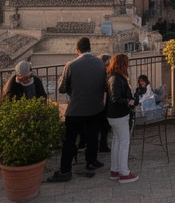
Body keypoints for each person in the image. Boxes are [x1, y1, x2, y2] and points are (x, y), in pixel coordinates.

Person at [50, 37, 106, 183]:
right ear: (90, 48)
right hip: (96, 107)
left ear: (77, 50)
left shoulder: (71, 65)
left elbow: (61, 88)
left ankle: (65, 171)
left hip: (76, 109)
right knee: (93, 136)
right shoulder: (100, 63)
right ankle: (91, 162)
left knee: (69, 140)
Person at [105, 54, 138, 183]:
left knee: (117, 141)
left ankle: (115, 170)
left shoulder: (113, 77)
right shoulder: (116, 79)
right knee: (124, 142)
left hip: (114, 115)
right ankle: (124, 172)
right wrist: (129, 101)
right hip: (119, 115)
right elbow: (116, 98)